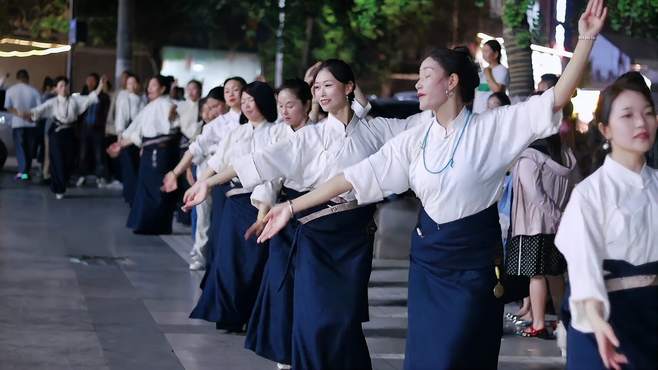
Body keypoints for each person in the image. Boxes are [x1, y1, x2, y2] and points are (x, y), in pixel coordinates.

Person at [254, 2, 605, 368]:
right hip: (428, 263)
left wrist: (586, 38)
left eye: (425, 75)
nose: (418, 83)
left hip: (473, 264)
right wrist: (291, 207)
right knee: (425, 357)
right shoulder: (416, 137)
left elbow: (555, 98)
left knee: (461, 354)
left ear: (451, 82)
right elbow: (357, 176)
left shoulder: (493, 128)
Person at [182, 59, 425, 370]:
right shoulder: (311, 136)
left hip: (353, 237)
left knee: (345, 317)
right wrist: (207, 182)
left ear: (349, 87)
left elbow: (423, 124)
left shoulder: (377, 129)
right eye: (316, 87)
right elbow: (259, 161)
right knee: (314, 315)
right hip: (315, 235)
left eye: (328, 85)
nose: (321, 92)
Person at [555, 71, 657, 370]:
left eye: (648, 113)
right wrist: (597, 320)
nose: (641, 122)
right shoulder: (589, 194)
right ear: (605, 128)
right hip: (605, 320)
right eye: (627, 115)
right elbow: (584, 266)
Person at [186, 81, 289, 333]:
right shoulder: (236, 133)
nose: (246, 105)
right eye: (243, 101)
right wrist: (200, 185)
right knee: (228, 261)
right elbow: (218, 163)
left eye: (251, 100)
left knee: (254, 263)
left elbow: (272, 176)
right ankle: (228, 314)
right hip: (233, 202)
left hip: (260, 203)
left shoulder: (277, 132)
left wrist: (263, 211)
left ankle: (253, 315)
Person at [243, 78, 314, 368]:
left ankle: (305, 349)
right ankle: (283, 355)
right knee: (279, 284)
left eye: (291, 105)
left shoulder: (319, 135)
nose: (284, 111)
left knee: (307, 288)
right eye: (280, 106)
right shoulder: (278, 135)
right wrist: (262, 217)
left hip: (313, 217)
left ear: (307, 105)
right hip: (281, 217)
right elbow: (268, 180)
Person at [162, 77, 245, 269]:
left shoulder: (252, 121)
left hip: (245, 181)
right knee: (206, 217)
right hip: (213, 175)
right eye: (227, 91)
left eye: (236, 90)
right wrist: (175, 172)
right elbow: (194, 149)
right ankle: (201, 254)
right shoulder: (217, 124)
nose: (231, 94)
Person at [505, 133, 576, 338]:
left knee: (535, 275)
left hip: (532, 226)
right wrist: (561, 216)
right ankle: (563, 322)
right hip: (558, 227)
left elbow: (534, 193)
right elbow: (575, 186)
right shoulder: (566, 155)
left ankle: (537, 323)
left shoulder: (530, 157)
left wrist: (553, 214)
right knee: (555, 275)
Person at [108, 75, 180, 234]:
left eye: (154, 85)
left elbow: (173, 119)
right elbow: (136, 131)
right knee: (145, 187)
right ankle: (145, 224)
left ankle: (156, 225)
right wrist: (120, 145)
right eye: (149, 85)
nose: (150, 88)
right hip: (148, 151)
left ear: (162, 88)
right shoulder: (150, 106)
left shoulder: (168, 104)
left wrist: (172, 113)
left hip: (160, 153)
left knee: (158, 187)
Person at [27, 76, 105, 199]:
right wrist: (28, 113)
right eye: (61, 86)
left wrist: (100, 85)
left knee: (68, 160)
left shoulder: (75, 100)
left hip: (70, 132)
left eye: (65, 85)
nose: (64, 88)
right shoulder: (52, 102)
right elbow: (38, 111)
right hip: (56, 133)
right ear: (56, 89)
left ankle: (65, 181)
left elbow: (90, 99)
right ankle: (58, 188)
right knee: (57, 159)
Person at [4, 69, 42, 181]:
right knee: (29, 149)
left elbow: (8, 107)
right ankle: (26, 171)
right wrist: (29, 116)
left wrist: (19, 114)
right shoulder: (34, 91)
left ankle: (23, 172)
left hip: (17, 123)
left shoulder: (10, 90)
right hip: (31, 124)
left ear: (17, 78)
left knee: (20, 148)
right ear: (27, 78)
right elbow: (39, 108)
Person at [77, 73, 111, 188]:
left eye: (92, 80)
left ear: (96, 82)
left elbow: (106, 113)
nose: (89, 83)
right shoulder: (83, 95)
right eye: (88, 80)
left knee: (99, 153)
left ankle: (100, 176)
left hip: (98, 128)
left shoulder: (102, 97)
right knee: (83, 153)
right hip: (85, 128)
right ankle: (82, 175)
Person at [473, 39, 509, 113]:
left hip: (491, 112)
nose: (483, 54)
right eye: (483, 51)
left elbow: (497, 90)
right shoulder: (483, 71)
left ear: (495, 54)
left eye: (486, 51)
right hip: (477, 112)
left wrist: (488, 73)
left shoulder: (502, 69)